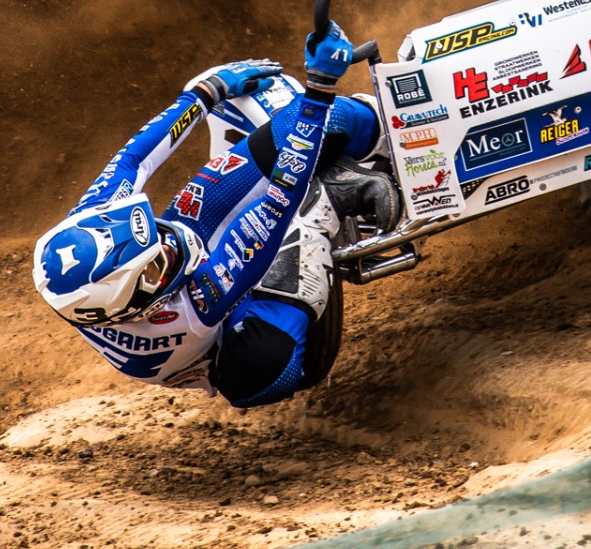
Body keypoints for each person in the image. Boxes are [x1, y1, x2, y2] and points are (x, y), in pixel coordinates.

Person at [32, 23, 399, 408]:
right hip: (232, 339)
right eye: (155, 266)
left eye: (151, 234)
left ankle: (392, 126)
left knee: (324, 122)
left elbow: (133, 160)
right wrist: (320, 88)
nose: (167, 247)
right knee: (262, 368)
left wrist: (205, 93)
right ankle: (331, 196)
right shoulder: (182, 316)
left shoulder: (87, 225)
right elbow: (275, 207)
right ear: (140, 306)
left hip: (195, 264)